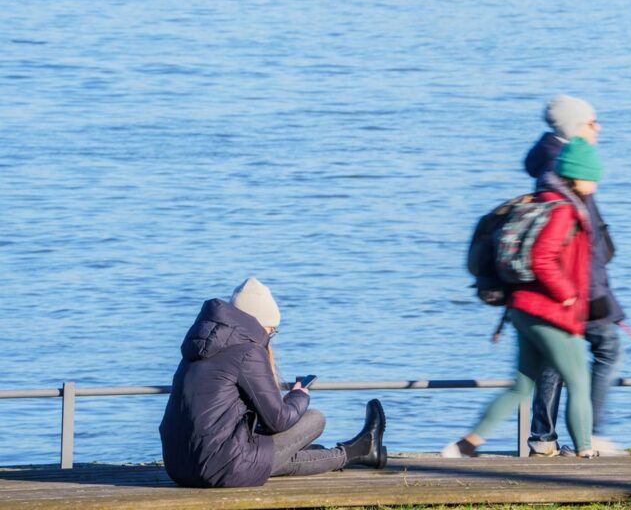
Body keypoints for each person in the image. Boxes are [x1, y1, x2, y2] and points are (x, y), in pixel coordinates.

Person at [443, 137, 603, 458]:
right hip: (551, 312)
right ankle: (586, 453)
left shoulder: (537, 201)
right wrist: (568, 295)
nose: (596, 184)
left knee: (522, 386)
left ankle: (467, 444)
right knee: (580, 380)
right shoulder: (563, 212)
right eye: (592, 176)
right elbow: (542, 258)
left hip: (523, 309)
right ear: (577, 175)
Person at [159, 277, 387, 487]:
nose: (270, 338)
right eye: (271, 331)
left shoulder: (198, 347)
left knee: (275, 456)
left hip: (179, 466)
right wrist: (300, 395)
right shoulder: (247, 350)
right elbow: (277, 420)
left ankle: (362, 451)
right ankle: (358, 451)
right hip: (222, 466)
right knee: (314, 419)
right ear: (260, 325)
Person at [524, 95, 625, 457]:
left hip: (565, 288)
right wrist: (593, 296)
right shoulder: (567, 166)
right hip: (576, 288)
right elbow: (580, 243)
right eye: (591, 122)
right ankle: (589, 434)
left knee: (554, 360)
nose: (597, 128)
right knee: (607, 350)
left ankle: (544, 437)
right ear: (574, 127)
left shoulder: (550, 164)